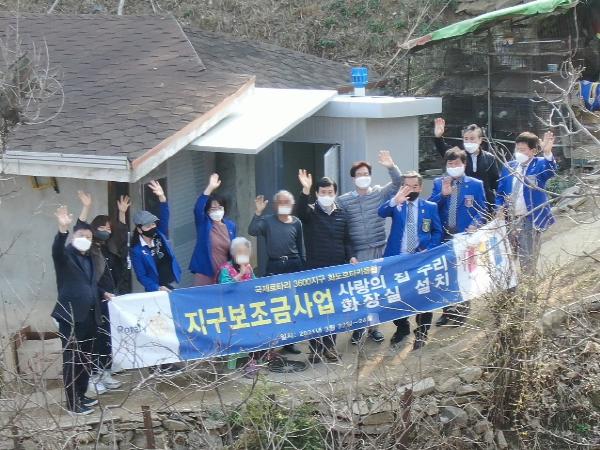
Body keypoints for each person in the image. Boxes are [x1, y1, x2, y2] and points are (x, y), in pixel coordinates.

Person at [337, 150, 402, 345]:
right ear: (353, 178)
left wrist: (391, 166)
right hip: (359, 253)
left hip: (380, 248)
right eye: (359, 174)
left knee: (377, 291)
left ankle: (374, 329)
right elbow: (340, 227)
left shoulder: (378, 193)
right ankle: (358, 330)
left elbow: (398, 183)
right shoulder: (343, 200)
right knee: (360, 292)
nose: (363, 177)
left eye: (366, 174)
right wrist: (349, 254)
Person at [296, 170, 356, 363]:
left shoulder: (342, 214)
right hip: (315, 270)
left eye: (330, 192)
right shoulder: (311, 212)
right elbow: (299, 212)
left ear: (335, 193)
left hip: (336, 270)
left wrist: (351, 256)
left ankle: (330, 347)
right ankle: (315, 349)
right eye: (323, 192)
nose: (326, 195)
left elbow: (347, 240)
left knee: (333, 309)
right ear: (317, 194)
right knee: (315, 311)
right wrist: (305, 190)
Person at [378, 172, 443, 350]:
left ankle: (422, 333)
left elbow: (437, 231)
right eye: (407, 186)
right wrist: (395, 200)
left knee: (424, 295)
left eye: (414, 186)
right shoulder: (397, 204)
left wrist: (430, 248)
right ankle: (402, 327)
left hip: (420, 260)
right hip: (397, 259)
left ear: (420, 188)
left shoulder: (429, 207)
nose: (411, 190)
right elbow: (381, 212)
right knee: (396, 296)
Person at [76, 191, 130, 394]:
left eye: (108, 228)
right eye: (102, 228)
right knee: (94, 338)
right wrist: (86, 207)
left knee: (107, 337)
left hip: (109, 299)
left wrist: (122, 214)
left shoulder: (108, 248)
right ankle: (92, 376)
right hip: (93, 300)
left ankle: (105, 372)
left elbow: (121, 236)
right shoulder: (87, 250)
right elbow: (79, 230)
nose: (106, 231)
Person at [429, 148, 486, 327]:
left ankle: (462, 311)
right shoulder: (439, 183)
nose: (453, 167)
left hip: (465, 237)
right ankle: (447, 311)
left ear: (464, 164)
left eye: (457, 163)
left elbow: (483, 209)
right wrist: (442, 195)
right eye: (450, 164)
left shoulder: (475, 184)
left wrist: (476, 224)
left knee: (464, 274)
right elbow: (430, 207)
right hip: (444, 236)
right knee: (446, 275)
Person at [52, 205, 100, 415]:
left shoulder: (89, 257)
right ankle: (73, 403)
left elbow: (90, 284)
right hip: (71, 316)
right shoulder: (65, 256)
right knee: (72, 360)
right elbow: (57, 250)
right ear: (73, 237)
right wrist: (62, 229)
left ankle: (81, 394)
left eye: (89, 237)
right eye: (81, 236)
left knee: (86, 359)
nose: (85, 239)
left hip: (90, 315)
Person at [248, 190, 305, 355]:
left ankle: (289, 342)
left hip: (293, 265)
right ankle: (271, 343)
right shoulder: (268, 221)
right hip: (275, 265)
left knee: (291, 306)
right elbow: (252, 230)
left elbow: (301, 246)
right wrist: (258, 212)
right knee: (274, 305)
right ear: (274, 205)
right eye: (280, 202)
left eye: (287, 202)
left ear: (292, 204)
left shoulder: (297, 222)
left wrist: (302, 266)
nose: (284, 205)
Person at [496, 131, 556, 274]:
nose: (519, 153)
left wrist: (547, 153)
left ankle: (529, 285)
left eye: (523, 150)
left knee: (527, 259)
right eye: (517, 149)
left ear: (533, 151)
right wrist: (499, 208)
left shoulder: (539, 164)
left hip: (530, 218)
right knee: (507, 258)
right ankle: (512, 286)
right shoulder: (509, 167)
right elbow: (500, 192)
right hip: (510, 220)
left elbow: (551, 171)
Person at [434, 118, 499, 215]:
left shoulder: (490, 158)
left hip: (486, 205)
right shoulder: (459, 155)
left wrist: (497, 206)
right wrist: (438, 137)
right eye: (466, 139)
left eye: (472, 139)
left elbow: (496, 184)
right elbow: (445, 151)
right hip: (463, 203)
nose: (469, 142)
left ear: (480, 140)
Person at [216, 237, 259, 377]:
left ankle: (252, 361)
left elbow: (255, 284)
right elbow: (224, 287)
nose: (243, 255)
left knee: (256, 330)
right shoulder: (226, 269)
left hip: (248, 308)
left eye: (246, 252)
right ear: (233, 253)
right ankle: (237, 362)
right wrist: (240, 274)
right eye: (240, 252)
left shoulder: (248, 267)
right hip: (232, 310)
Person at [130, 180, 182, 293]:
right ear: (139, 229)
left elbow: (165, 215)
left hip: (171, 281)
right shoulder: (136, 251)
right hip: (156, 289)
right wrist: (157, 288)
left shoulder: (160, 234)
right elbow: (141, 276)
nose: (152, 227)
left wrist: (162, 197)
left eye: (153, 224)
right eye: (147, 226)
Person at [189, 173, 237, 286]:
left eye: (220, 207)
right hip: (205, 273)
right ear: (207, 211)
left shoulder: (231, 226)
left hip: (224, 274)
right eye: (213, 209)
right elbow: (198, 208)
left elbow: (234, 250)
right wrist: (210, 188)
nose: (217, 211)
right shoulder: (204, 224)